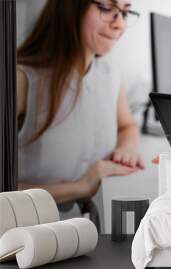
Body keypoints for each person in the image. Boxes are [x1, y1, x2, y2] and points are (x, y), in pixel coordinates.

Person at [17, 0, 144, 204]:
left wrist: (127, 148)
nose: (119, 24)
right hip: (25, 228)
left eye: (125, 13)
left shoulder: (110, 74)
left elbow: (127, 126)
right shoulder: (21, 79)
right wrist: (81, 188)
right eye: (106, 8)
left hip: (86, 223)